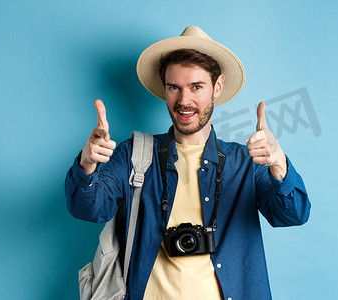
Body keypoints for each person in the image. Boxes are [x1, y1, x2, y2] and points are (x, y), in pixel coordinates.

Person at [65, 26, 311, 300]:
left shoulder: (246, 163)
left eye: (196, 87)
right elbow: (88, 209)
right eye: (174, 87)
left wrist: (278, 163)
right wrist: (88, 165)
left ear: (217, 87)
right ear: (164, 88)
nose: (184, 101)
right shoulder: (135, 155)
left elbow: (293, 215)